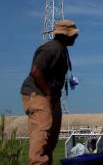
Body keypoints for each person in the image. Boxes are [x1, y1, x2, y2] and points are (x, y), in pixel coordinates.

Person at [20, 20, 79, 164]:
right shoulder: (51, 49)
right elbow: (35, 71)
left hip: (51, 95)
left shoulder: (62, 49)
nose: (75, 38)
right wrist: (47, 93)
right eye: (73, 35)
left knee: (51, 138)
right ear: (65, 36)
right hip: (38, 93)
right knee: (42, 133)